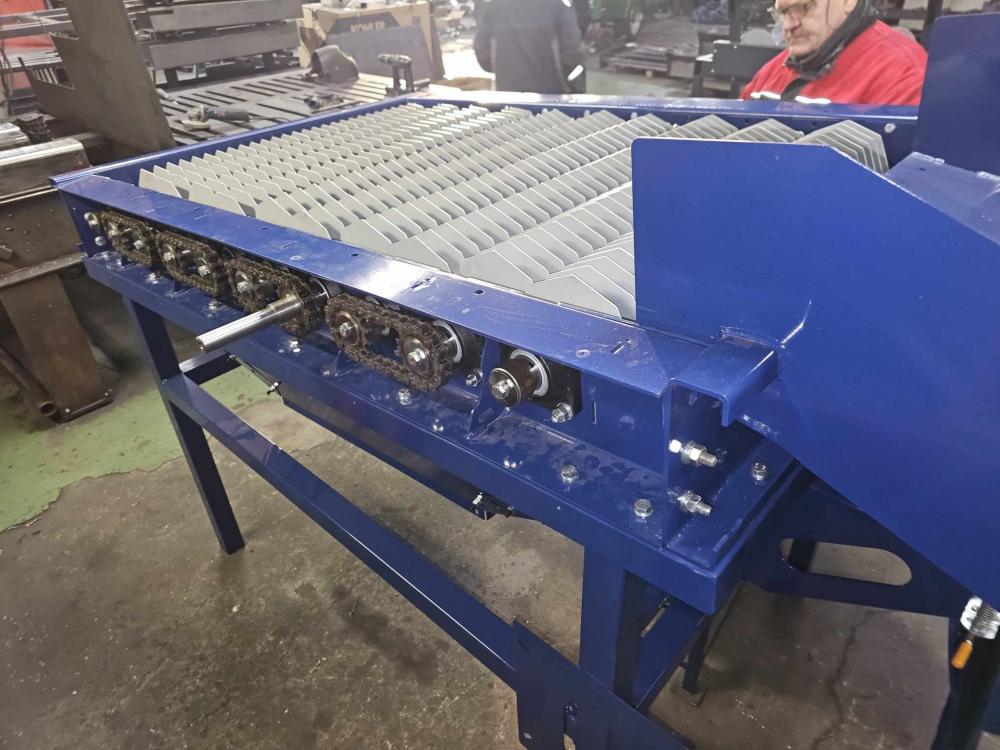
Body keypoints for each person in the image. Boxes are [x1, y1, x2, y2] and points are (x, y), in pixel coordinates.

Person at [742, 0, 928, 105]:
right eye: (783, 13)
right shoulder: (768, 76)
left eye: (802, 8)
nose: (788, 25)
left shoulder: (905, 77)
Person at [474, 0, 584, 94]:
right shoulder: (559, 4)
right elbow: (572, 49)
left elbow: (481, 49)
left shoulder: (494, 4)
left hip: (507, 89)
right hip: (551, 89)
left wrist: (503, 69)